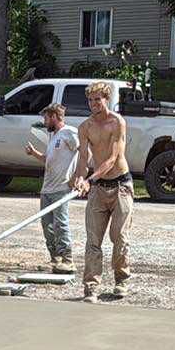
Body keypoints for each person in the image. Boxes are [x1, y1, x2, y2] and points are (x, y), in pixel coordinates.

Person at [69, 81, 132, 301]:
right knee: (93, 240)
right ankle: (91, 287)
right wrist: (79, 178)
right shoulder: (85, 127)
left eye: (98, 99)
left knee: (119, 237)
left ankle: (121, 279)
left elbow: (112, 158)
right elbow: (84, 158)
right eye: (90, 100)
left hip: (120, 186)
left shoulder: (117, 122)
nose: (94, 104)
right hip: (98, 188)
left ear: (106, 99)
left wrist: (90, 179)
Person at [26, 101, 78, 275]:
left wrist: (77, 176)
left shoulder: (69, 133)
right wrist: (34, 154)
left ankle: (68, 259)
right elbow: (48, 159)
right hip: (47, 188)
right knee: (46, 225)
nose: (45, 121)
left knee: (60, 224)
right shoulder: (54, 136)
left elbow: (85, 151)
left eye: (46, 118)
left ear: (55, 117)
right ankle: (55, 258)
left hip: (61, 187)